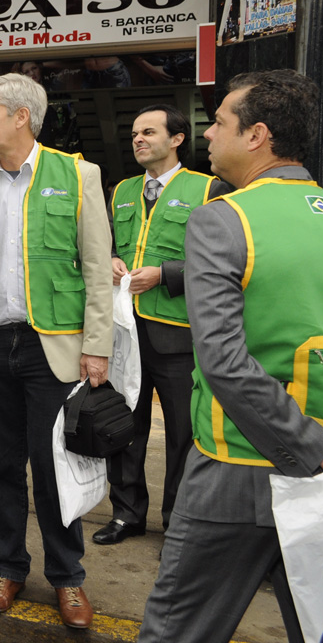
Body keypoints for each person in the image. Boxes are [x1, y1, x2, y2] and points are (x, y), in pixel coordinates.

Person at [137, 70, 323, 643]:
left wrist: (311, 449)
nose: (208, 134)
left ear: (257, 135)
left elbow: (224, 362)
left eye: (220, 123)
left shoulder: (222, 218)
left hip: (236, 471)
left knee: (177, 631)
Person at [0, 72, 112, 629]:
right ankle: (8, 567)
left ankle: (68, 579)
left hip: (55, 348)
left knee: (52, 468)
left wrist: (97, 348)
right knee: (1, 466)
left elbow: (96, 268)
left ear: (21, 116)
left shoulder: (77, 173)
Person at [93, 105, 226, 546]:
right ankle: (127, 514)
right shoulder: (122, 191)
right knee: (123, 428)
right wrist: (110, 259)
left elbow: (222, 261)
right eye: (134, 133)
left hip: (178, 336)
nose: (138, 139)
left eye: (149, 132)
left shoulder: (208, 189)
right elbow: (106, 244)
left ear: (177, 139)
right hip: (125, 333)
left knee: (183, 437)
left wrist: (167, 274)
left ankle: (178, 522)